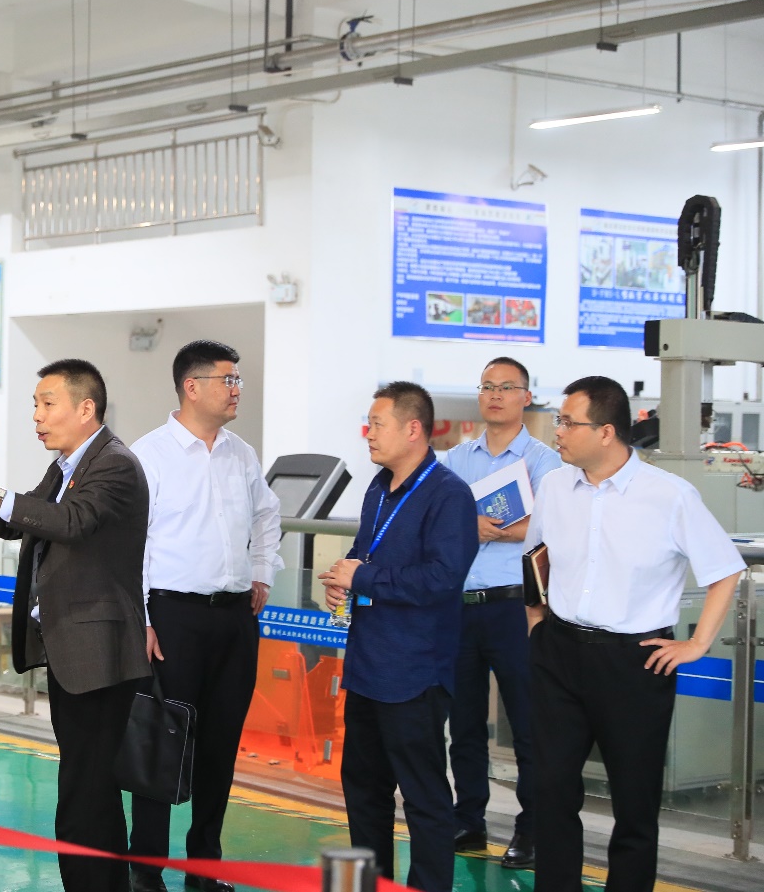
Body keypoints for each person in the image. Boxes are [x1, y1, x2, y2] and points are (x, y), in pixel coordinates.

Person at [0, 358, 151, 892]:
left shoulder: (114, 463)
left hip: (102, 653)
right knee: (85, 790)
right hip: (74, 651)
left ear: (86, 408)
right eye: (35, 405)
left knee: (86, 794)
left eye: (48, 404)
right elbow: (20, 525)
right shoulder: (67, 465)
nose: (37, 416)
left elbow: (71, 522)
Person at [525, 376, 744, 891]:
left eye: (568, 422)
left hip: (634, 663)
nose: (558, 431)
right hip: (558, 654)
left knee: (634, 802)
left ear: (605, 432)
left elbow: (725, 570)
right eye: (558, 420)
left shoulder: (669, 495)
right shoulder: (555, 486)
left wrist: (697, 643)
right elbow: (536, 557)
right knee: (550, 790)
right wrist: (535, 624)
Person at [126, 341, 282, 892]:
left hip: (234, 619)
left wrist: (261, 571)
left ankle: (204, 868)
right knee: (161, 743)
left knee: (220, 746)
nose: (236, 390)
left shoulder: (242, 453)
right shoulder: (149, 455)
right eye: (227, 380)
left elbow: (267, 515)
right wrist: (142, 618)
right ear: (192, 387)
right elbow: (133, 543)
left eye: (238, 380)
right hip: (172, 619)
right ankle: (145, 871)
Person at [319, 381, 479, 892]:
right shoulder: (377, 487)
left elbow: (442, 578)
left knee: (423, 797)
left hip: (415, 672)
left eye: (377, 424)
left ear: (413, 429)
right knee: (363, 791)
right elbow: (367, 556)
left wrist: (364, 578)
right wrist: (344, 580)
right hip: (367, 664)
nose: (368, 433)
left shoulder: (448, 495)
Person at [440, 357, 560, 870]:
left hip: (517, 607)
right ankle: (469, 820)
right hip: (461, 608)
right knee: (464, 724)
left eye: (506, 387)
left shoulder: (544, 460)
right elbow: (440, 518)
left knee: (529, 724)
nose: (494, 395)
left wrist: (486, 528)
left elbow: (550, 524)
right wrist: (472, 526)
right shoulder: (454, 459)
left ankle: (532, 830)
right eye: (487, 386)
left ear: (525, 397)